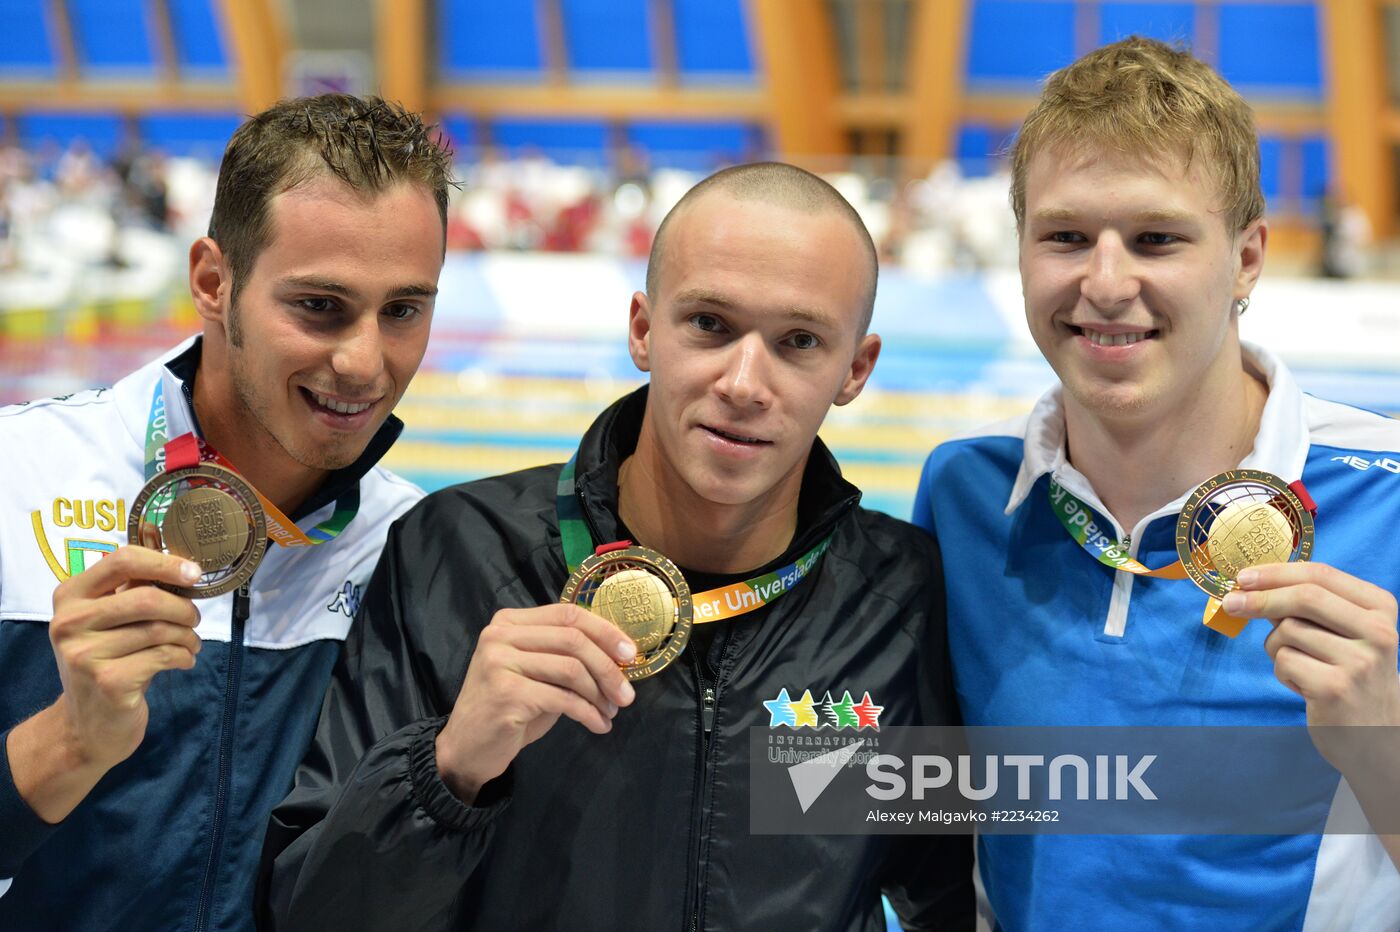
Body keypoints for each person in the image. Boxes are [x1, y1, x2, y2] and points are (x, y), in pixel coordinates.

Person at [260, 162, 974, 930]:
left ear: (855, 369)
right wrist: (448, 770)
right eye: (709, 324)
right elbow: (309, 914)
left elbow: (951, 896)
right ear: (642, 329)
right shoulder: (457, 553)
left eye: (799, 341)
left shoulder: (899, 601)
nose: (743, 381)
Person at [914, 38, 1400, 930]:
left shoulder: (1391, 500)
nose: (1105, 283)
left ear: (1247, 258)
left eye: (1156, 239)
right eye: (1065, 237)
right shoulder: (967, 498)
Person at [0, 95, 453, 930]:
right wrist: (69, 740)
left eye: (403, 310)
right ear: (214, 281)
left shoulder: (418, 551)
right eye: (319, 306)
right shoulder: (15, 477)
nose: (363, 362)